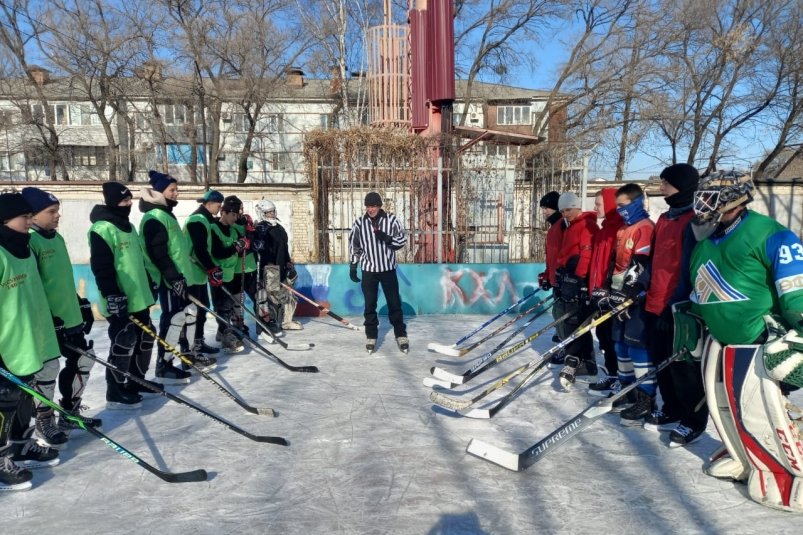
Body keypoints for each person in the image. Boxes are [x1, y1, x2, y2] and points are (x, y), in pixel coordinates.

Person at [675, 171, 803, 511]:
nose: (703, 207)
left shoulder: (772, 235)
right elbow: (700, 287)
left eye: (713, 200)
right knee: (727, 410)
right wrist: (689, 316)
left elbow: (796, 290)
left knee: (762, 412)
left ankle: (786, 473)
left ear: (737, 201)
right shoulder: (705, 240)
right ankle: (744, 456)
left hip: (760, 340)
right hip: (720, 342)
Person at [21, 187, 97, 449]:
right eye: (51, 212)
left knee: (84, 360)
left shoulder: (57, 238)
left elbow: (61, 279)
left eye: (57, 211)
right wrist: (50, 316)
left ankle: (69, 412)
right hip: (48, 321)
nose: (57, 216)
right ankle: (44, 419)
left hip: (70, 315)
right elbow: (34, 286)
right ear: (31, 215)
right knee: (48, 369)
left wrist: (81, 303)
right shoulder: (30, 241)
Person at [0, 192, 60, 491]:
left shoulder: (26, 249)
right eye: (23, 217)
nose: (28, 221)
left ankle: (21, 446)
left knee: (23, 397)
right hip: (6, 344)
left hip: (30, 341)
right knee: (3, 402)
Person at [641, 164, 705, 440]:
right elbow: (656, 260)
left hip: (679, 306)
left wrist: (677, 304)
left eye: (667, 183)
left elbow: (691, 269)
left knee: (683, 367)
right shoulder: (665, 218)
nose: (662, 188)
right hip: (655, 301)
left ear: (683, 186)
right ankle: (671, 409)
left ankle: (693, 419)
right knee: (661, 362)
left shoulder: (695, 220)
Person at [140, 170, 215, 381]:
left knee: (187, 317)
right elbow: (158, 252)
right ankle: (163, 366)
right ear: (159, 191)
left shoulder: (166, 214)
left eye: (176, 189)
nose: (176, 193)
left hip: (182, 278)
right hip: (170, 281)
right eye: (172, 190)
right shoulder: (154, 217)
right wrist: (173, 278)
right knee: (173, 320)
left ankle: (187, 356)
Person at [88, 182, 155, 408]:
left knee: (145, 338)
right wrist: (111, 294)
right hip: (120, 299)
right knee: (123, 340)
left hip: (139, 296)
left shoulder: (129, 226)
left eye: (130, 200)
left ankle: (136, 382)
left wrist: (149, 280)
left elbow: (138, 260)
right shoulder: (101, 229)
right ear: (113, 203)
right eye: (124, 201)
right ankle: (115, 391)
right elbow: (102, 266)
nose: (129, 205)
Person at [595, 183, 655, 424]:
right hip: (619, 296)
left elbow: (641, 264)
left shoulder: (645, 228)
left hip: (636, 298)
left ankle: (646, 397)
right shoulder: (624, 229)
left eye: (624, 205)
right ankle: (627, 390)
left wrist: (629, 291)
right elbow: (616, 263)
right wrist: (607, 289)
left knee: (637, 347)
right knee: (619, 346)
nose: (620, 210)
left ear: (638, 202)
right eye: (617, 206)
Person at [348, 192, 408, 354]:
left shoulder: (392, 221)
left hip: (388, 269)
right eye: (368, 206)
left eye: (373, 206)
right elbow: (355, 246)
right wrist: (353, 265)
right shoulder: (359, 223)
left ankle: (400, 333)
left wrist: (387, 238)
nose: (370, 209)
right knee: (370, 304)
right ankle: (371, 335)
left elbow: (402, 240)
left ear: (380, 206)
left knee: (394, 303)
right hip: (369, 270)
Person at [553, 192, 599, 384]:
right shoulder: (571, 226)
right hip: (568, 278)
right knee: (568, 319)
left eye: (568, 209)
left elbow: (586, 255)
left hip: (579, 282)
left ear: (577, 206)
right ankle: (577, 358)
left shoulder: (586, 226)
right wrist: (560, 273)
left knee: (575, 321)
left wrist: (578, 279)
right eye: (562, 211)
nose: (565, 214)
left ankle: (581, 360)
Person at [586, 188, 624, 395]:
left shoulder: (619, 229)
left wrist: (607, 290)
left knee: (614, 339)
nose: (594, 208)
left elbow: (616, 265)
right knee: (603, 336)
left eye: (598, 204)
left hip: (611, 296)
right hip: (599, 295)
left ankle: (621, 378)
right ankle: (611, 375)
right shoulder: (603, 230)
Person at [252, 199, 302, 339]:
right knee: (270, 299)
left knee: (286, 297)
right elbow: (260, 250)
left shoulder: (279, 228)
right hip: (269, 269)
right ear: (262, 213)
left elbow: (284, 248)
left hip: (281, 268)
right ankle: (266, 326)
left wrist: (288, 262)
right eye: (268, 212)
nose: (271, 214)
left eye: (273, 211)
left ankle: (283, 322)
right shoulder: (261, 229)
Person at [183, 190, 224, 356]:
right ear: (208, 204)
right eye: (218, 205)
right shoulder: (196, 220)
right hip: (191, 273)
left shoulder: (204, 219)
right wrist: (211, 267)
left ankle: (199, 342)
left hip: (198, 274)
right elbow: (199, 249)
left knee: (203, 309)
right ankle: (191, 347)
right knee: (193, 313)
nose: (220, 209)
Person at [210, 195, 249, 353]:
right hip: (218, 275)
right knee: (222, 307)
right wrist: (236, 247)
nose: (235, 218)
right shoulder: (214, 228)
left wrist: (244, 243)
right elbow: (218, 252)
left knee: (230, 305)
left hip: (231, 274)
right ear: (224, 212)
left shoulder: (233, 230)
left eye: (237, 215)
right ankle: (226, 336)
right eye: (233, 215)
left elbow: (242, 246)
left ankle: (223, 332)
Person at [536, 191, 564, 348]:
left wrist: (561, 275)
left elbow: (564, 255)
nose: (544, 212)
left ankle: (565, 345)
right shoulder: (553, 228)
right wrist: (547, 275)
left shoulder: (562, 226)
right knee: (557, 312)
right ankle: (560, 336)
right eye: (543, 208)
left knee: (562, 314)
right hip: (556, 278)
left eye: (547, 208)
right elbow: (551, 258)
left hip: (563, 279)